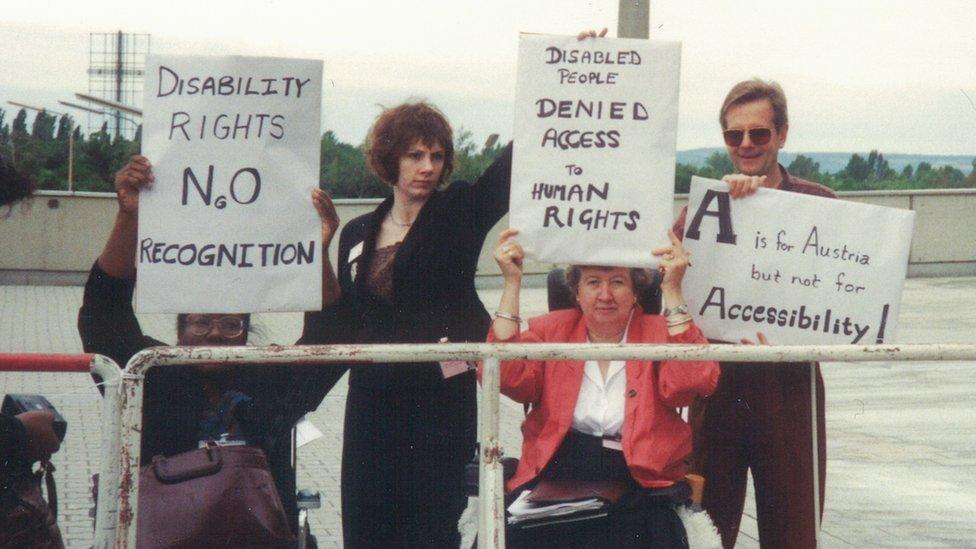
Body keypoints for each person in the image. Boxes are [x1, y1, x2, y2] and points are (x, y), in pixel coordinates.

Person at [77, 154, 340, 532]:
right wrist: (130, 216)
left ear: (248, 331)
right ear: (179, 329)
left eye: (231, 324)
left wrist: (318, 255)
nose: (215, 334)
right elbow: (102, 313)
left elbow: (331, 338)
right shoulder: (150, 374)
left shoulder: (273, 381)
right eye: (200, 322)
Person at [300, 101, 513, 547]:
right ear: (390, 160)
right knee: (367, 519)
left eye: (436, 157)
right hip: (373, 400)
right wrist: (320, 248)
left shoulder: (459, 213)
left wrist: (556, 88)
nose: (428, 167)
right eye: (415, 156)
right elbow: (340, 319)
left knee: (433, 524)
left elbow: (512, 169)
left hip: (439, 397)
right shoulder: (357, 231)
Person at [672, 78, 836, 548]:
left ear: (782, 135)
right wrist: (726, 208)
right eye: (734, 135)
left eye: (759, 133)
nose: (746, 144)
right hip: (715, 385)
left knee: (793, 531)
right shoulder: (704, 208)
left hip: (790, 388)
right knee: (706, 529)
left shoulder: (819, 205)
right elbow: (667, 280)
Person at [485, 228, 720, 548]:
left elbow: (695, 381)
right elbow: (504, 375)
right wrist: (512, 283)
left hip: (639, 476)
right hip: (560, 468)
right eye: (593, 282)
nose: (605, 295)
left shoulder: (659, 332)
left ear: (637, 291)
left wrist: (674, 290)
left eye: (618, 282)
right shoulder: (551, 329)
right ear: (577, 292)